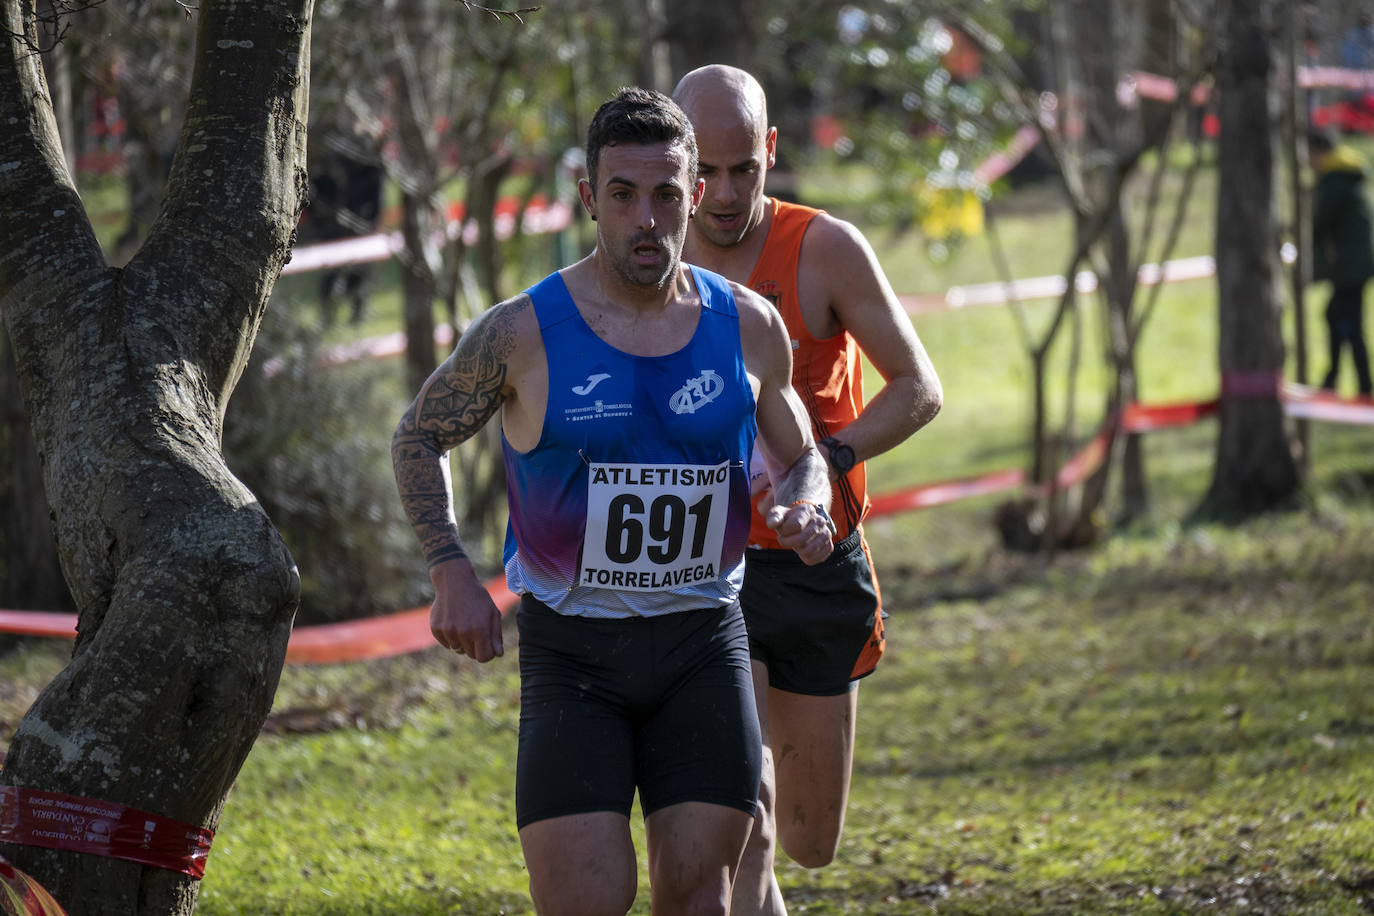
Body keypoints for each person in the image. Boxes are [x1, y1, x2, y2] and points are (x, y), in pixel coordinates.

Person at [392, 87, 838, 916]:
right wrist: (448, 565)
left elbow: (800, 450)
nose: (647, 219)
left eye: (667, 194)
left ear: (694, 196)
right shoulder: (522, 333)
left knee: (696, 898)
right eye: (624, 195)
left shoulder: (747, 324)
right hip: (572, 659)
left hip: (703, 645)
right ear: (589, 198)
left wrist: (807, 505)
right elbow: (418, 435)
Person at [673, 65, 943, 915]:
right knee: (743, 817)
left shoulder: (823, 247)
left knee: (806, 842)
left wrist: (824, 457)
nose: (720, 194)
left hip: (819, 563)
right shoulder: (652, 255)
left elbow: (917, 387)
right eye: (703, 172)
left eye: (742, 169)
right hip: (711, 572)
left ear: (772, 153)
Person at [1309, 129, 1374, 397]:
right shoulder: (1343, 174)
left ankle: (1362, 384)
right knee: (1337, 316)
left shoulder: (1335, 179)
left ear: (1319, 151)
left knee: (1347, 321)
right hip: (1354, 262)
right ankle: (1334, 379)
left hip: (1351, 265)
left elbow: (1320, 223)